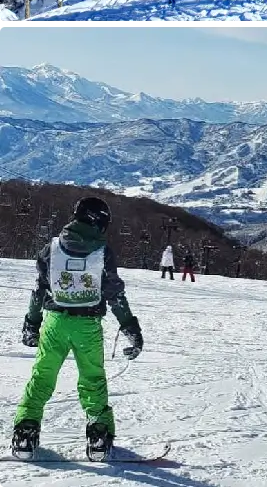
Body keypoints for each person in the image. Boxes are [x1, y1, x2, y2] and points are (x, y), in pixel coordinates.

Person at [11, 197, 143, 462]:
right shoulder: (102, 252)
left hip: (55, 322)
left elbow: (39, 289)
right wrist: (129, 325)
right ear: (99, 221)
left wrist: (32, 323)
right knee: (92, 378)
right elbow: (114, 294)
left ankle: (25, 431)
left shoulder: (53, 248)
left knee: (42, 376)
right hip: (87, 326)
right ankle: (98, 434)